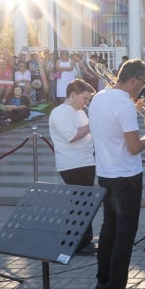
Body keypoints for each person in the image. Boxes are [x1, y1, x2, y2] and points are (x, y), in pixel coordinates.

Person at [87, 59, 145, 289]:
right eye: (142, 85)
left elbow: (112, 127)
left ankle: (103, 281)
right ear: (133, 81)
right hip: (126, 176)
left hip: (105, 173)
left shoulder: (99, 97)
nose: (142, 90)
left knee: (108, 228)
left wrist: (131, 107)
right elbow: (134, 147)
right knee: (124, 233)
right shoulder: (125, 106)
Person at [49, 79, 98, 255]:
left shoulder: (80, 112)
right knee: (81, 202)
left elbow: (88, 134)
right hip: (72, 163)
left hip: (85, 161)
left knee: (84, 202)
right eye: (84, 98)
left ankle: (78, 240)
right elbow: (71, 136)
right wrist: (93, 123)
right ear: (72, 94)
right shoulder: (60, 112)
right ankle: (79, 243)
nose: (86, 102)